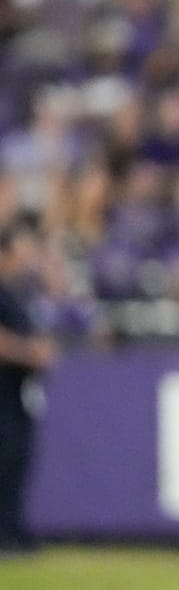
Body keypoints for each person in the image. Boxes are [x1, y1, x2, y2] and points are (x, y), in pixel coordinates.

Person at [0, 216, 58, 554]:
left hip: (18, 391)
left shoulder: (17, 293)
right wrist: (29, 353)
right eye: (20, 251)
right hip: (3, 392)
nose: (26, 259)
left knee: (18, 460)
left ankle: (12, 529)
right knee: (5, 460)